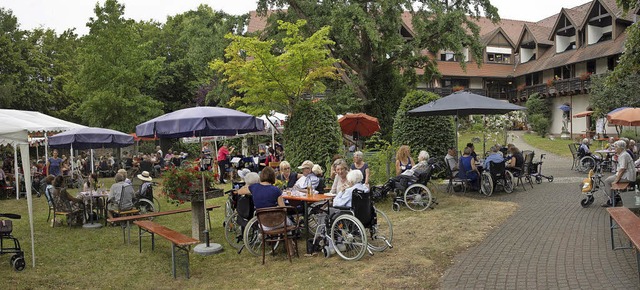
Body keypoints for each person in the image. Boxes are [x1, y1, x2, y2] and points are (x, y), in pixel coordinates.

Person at [604, 140, 637, 207]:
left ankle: (613, 200)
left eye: (616, 147)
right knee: (610, 179)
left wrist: (616, 180)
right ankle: (615, 197)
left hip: (628, 177)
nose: (615, 149)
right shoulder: (624, 154)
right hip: (629, 175)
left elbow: (622, 169)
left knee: (607, 181)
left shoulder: (623, 155)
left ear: (621, 148)